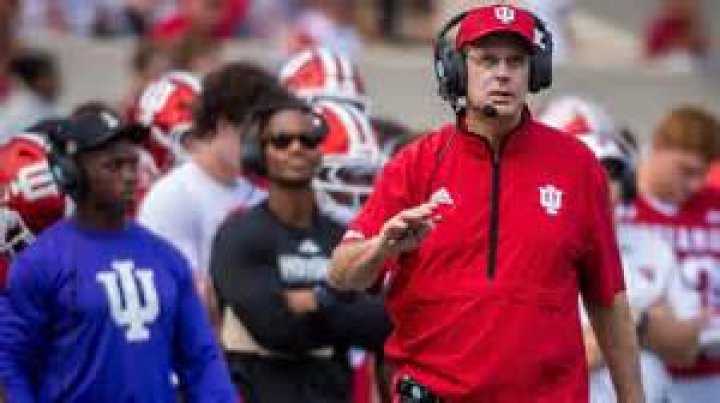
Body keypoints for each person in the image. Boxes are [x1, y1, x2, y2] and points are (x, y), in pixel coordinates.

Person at [328, 4, 643, 402]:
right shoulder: (415, 163)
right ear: (457, 70)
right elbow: (341, 275)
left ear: (535, 72)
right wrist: (380, 248)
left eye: (516, 61)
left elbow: (608, 300)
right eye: (487, 60)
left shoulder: (579, 166)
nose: (503, 73)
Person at [0, 105, 236, 402]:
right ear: (71, 173)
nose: (129, 176)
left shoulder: (166, 258)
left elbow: (202, 361)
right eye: (113, 166)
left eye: (132, 163)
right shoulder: (40, 262)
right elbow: (11, 364)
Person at [211, 99, 390, 402]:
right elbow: (275, 328)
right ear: (259, 152)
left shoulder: (342, 237)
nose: (296, 148)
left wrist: (310, 299)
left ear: (320, 151)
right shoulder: (238, 235)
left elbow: (379, 326)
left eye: (308, 140)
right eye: (282, 141)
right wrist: (340, 297)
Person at [540, 95, 706, 403]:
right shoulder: (529, 248)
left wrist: (633, 321)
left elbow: (687, 347)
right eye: (588, 170)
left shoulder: (653, 246)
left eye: (613, 172)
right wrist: (643, 324)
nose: (603, 182)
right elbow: (548, 364)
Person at [138, 63, 272, 305]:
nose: (260, 145)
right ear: (223, 125)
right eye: (253, 135)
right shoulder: (172, 196)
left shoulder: (260, 192)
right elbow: (183, 297)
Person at [620, 105, 720, 402]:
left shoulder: (714, 204)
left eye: (703, 173)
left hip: (710, 373)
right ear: (659, 147)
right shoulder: (621, 207)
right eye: (686, 170)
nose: (696, 184)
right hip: (644, 370)